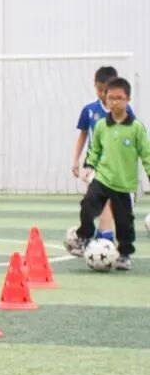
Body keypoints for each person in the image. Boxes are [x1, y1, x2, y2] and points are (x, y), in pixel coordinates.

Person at [71, 77, 150, 271]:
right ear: (106, 99)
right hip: (102, 179)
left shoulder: (136, 128)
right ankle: (84, 236)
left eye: (119, 98)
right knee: (88, 204)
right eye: (111, 98)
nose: (115, 102)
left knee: (125, 223)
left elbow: (146, 154)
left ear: (128, 99)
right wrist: (89, 165)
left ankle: (124, 254)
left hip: (124, 184)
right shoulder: (101, 126)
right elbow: (95, 149)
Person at [71, 66, 136, 243]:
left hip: (115, 166)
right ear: (95, 86)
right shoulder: (89, 110)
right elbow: (83, 135)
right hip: (93, 165)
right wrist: (75, 160)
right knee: (97, 202)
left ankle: (102, 236)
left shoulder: (126, 111)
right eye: (99, 89)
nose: (102, 93)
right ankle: (100, 236)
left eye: (105, 90)